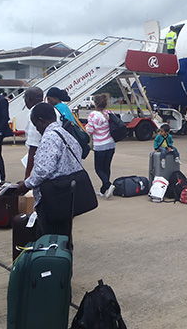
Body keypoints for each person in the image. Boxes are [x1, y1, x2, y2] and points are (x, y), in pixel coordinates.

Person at [16, 102, 83, 238]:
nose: (38, 130)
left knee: (49, 237)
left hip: (53, 198)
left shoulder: (50, 137)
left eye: (36, 126)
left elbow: (43, 170)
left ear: (41, 121)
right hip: (68, 196)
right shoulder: (65, 135)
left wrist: (26, 185)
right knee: (64, 236)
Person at [85, 93, 116, 198]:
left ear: (95, 103)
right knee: (106, 167)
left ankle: (108, 184)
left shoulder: (93, 115)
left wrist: (86, 127)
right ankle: (103, 190)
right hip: (111, 143)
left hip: (100, 144)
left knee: (98, 168)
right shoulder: (108, 113)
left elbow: (90, 130)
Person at [23, 86, 44, 179]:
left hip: (41, 161)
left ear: (28, 99)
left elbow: (33, 147)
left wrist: (27, 174)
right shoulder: (50, 109)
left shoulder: (35, 114)